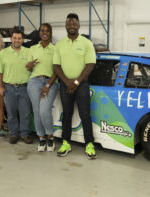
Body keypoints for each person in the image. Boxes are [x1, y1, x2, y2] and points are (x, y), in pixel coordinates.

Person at [53, 13, 97, 159]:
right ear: (66, 26)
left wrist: (77, 82)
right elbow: (56, 66)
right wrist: (67, 82)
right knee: (67, 114)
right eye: (69, 24)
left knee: (85, 115)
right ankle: (66, 142)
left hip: (82, 84)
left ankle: (89, 144)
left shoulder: (86, 43)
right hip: (65, 84)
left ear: (78, 26)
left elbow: (90, 65)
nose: (71, 26)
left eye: (74, 24)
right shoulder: (59, 44)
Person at [0, 29, 33, 144]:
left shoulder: (28, 52)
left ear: (23, 40)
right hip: (9, 88)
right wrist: (1, 87)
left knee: (25, 113)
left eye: (19, 38)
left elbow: (33, 68)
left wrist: (31, 67)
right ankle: (13, 134)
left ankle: (25, 134)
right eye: (15, 38)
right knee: (11, 113)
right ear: (11, 39)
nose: (17, 40)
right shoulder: (3, 53)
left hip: (24, 88)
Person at [26, 23, 58, 152]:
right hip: (34, 82)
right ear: (39, 33)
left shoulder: (55, 49)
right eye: (42, 30)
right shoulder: (33, 49)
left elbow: (57, 70)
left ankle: (50, 136)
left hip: (50, 82)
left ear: (50, 33)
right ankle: (41, 138)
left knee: (44, 110)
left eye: (47, 31)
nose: (45, 32)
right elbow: (28, 67)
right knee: (37, 112)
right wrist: (29, 65)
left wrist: (48, 85)